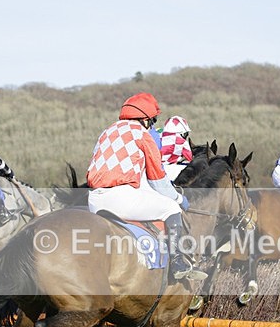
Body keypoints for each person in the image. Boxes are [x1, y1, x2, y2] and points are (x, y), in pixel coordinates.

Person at [86, 93, 205, 281]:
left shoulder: (106, 132)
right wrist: (179, 199)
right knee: (171, 209)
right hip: (120, 198)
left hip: (93, 199)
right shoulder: (143, 135)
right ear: (146, 119)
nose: (152, 124)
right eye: (153, 120)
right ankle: (177, 263)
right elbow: (158, 181)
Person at [159, 115, 194, 182]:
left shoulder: (158, 134)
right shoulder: (181, 141)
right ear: (182, 132)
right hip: (170, 170)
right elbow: (190, 158)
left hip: (155, 168)